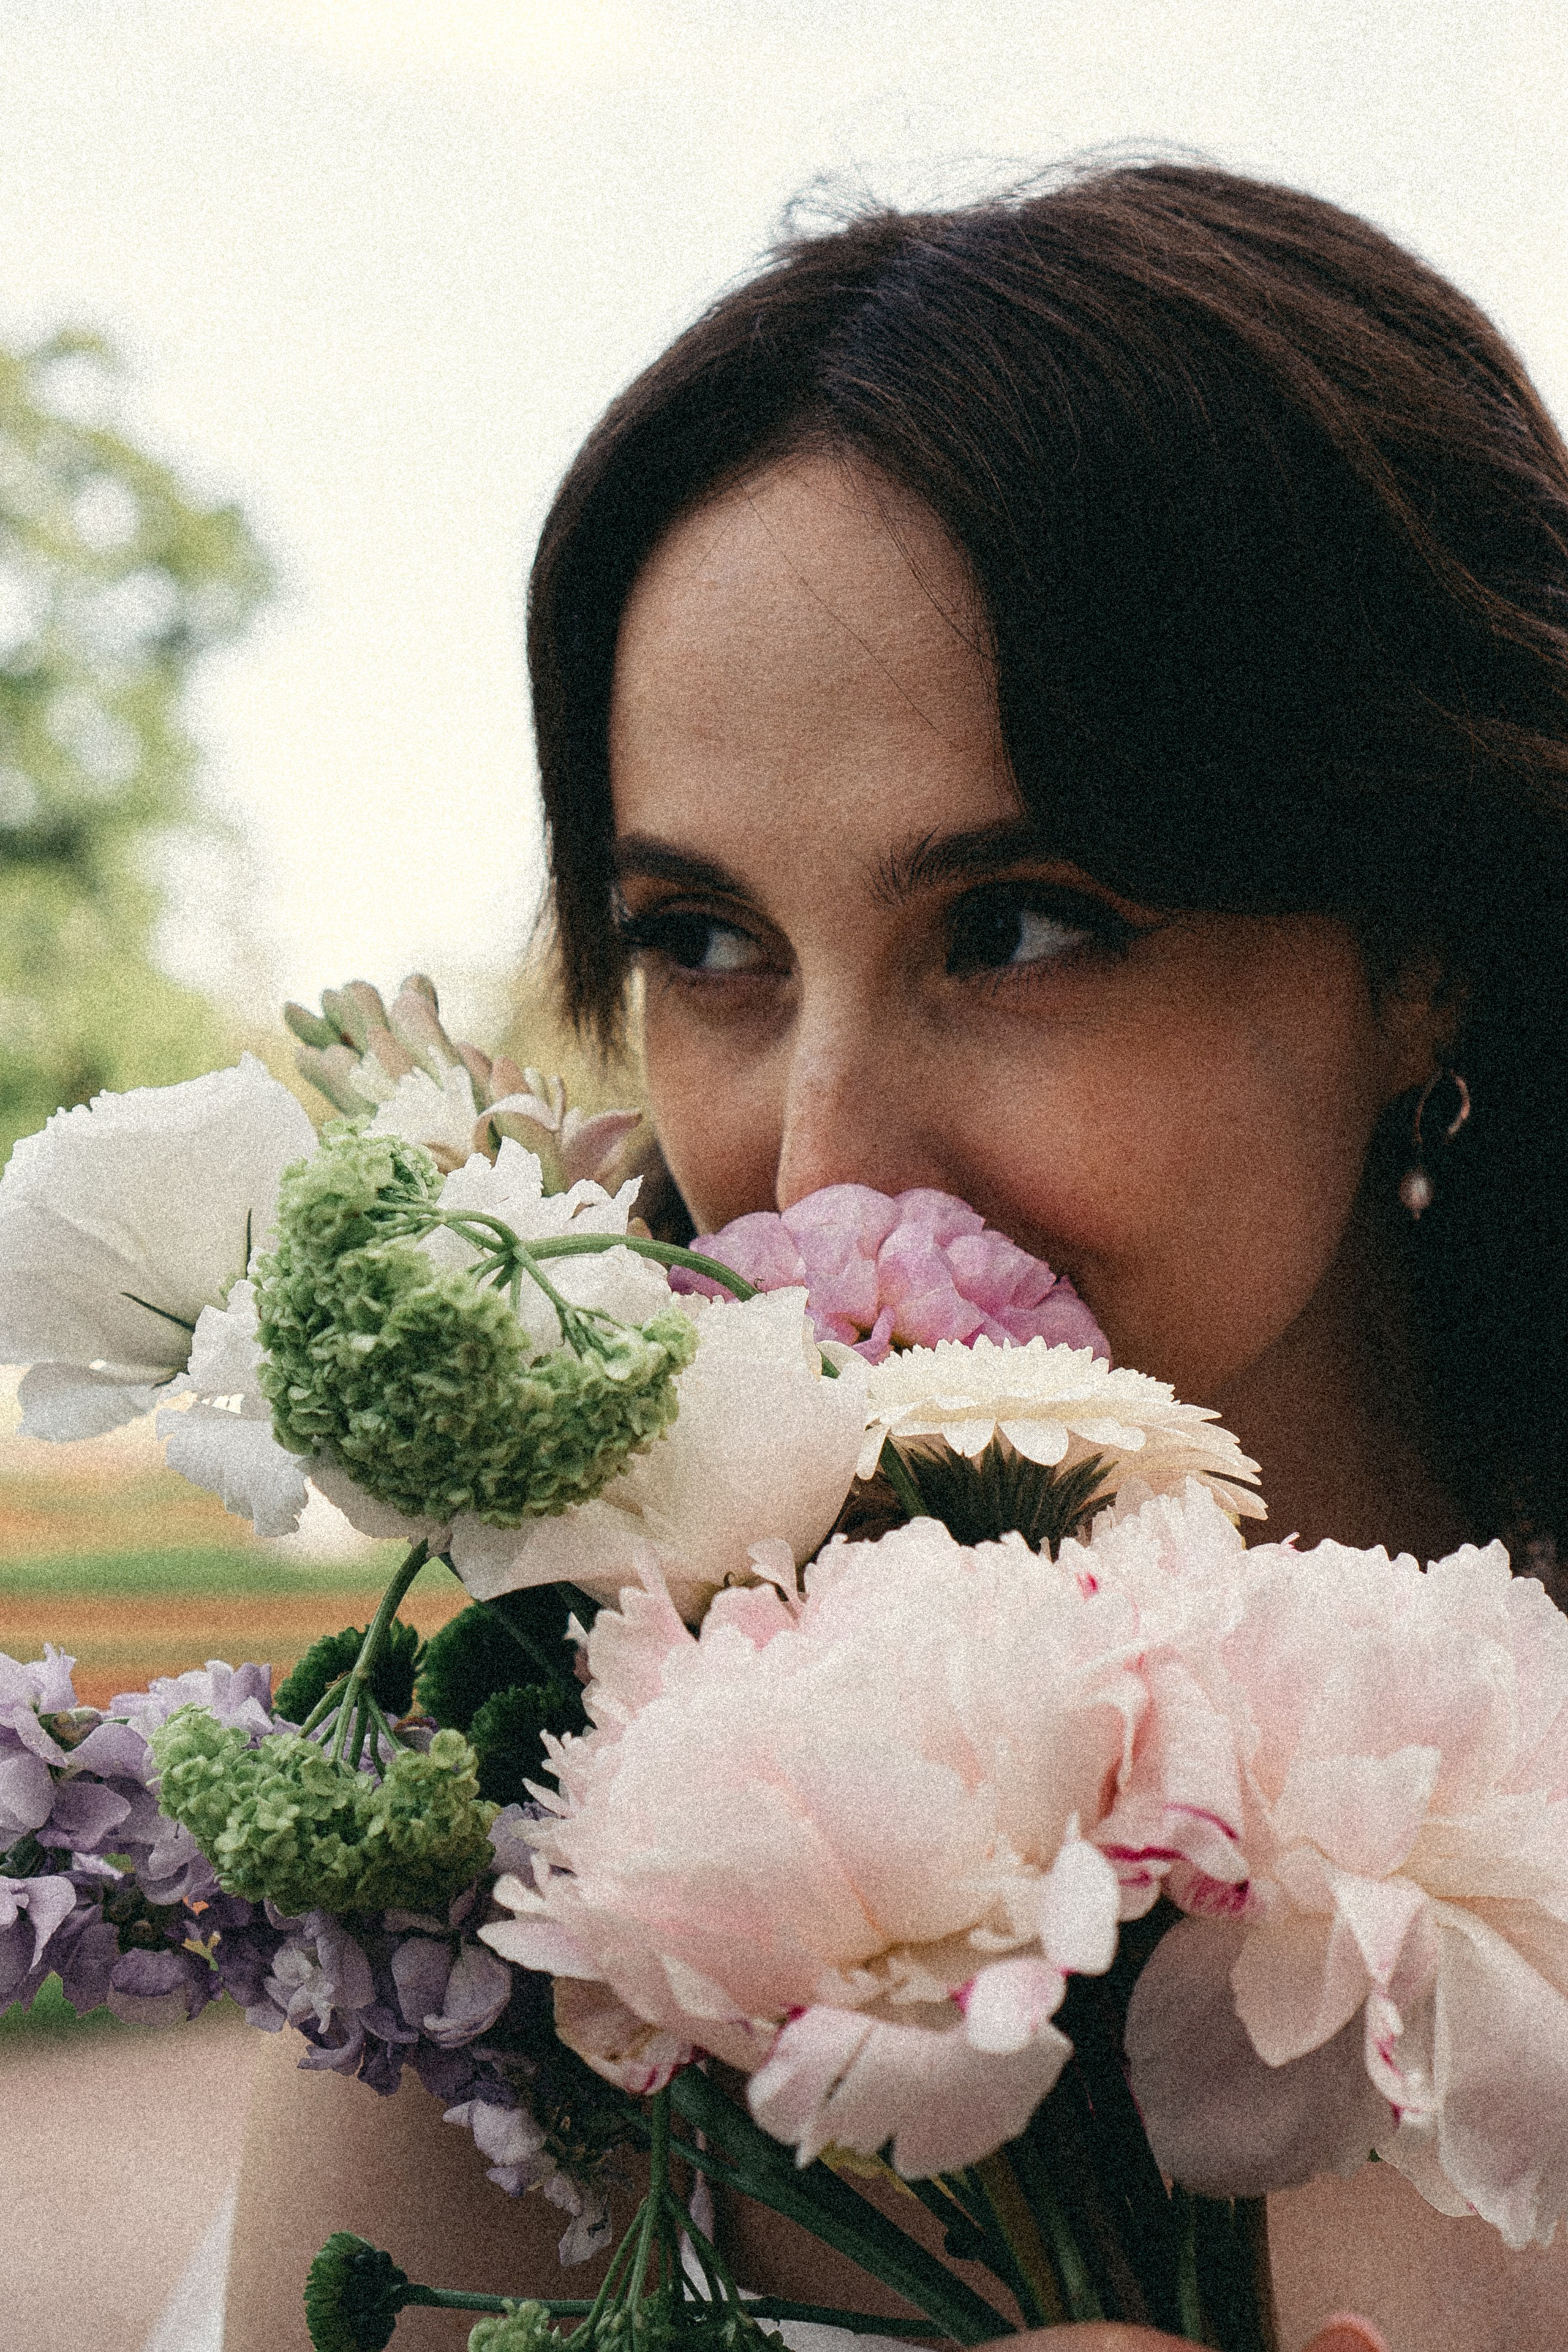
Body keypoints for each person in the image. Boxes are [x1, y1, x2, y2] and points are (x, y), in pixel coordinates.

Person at [223, 164, 1568, 2351]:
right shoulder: (524, 1929)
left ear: (1425, 949)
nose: (817, 1153)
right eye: (705, 941)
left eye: (1017, 925)